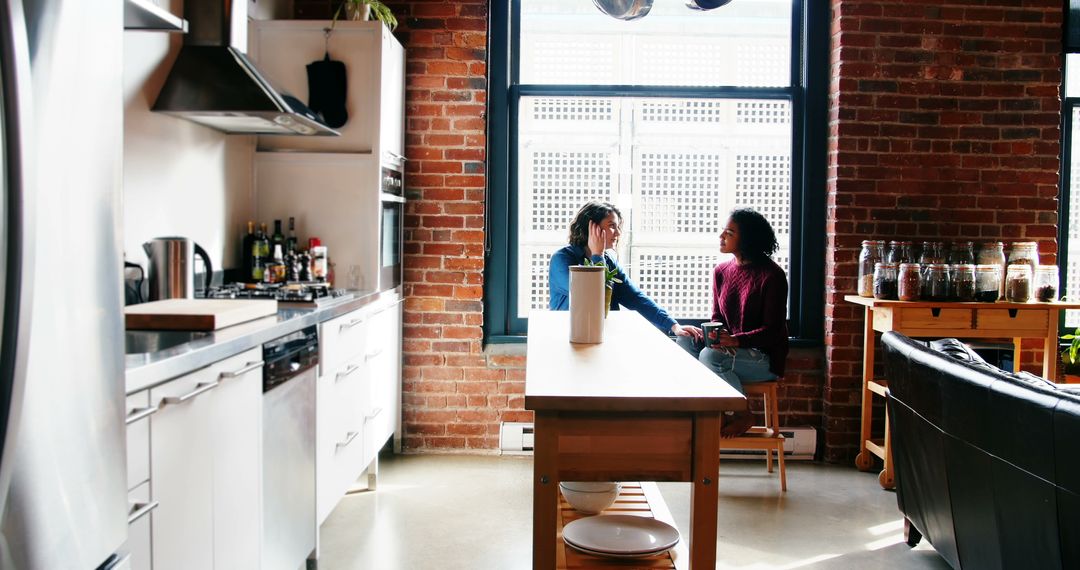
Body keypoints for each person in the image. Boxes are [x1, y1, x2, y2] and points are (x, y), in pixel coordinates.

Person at [677, 208, 789, 438]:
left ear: (747, 238)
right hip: (732, 351)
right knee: (685, 341)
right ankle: (704, 410)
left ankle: (741, 413)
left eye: (729, 233)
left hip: (762, 358)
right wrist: (713, 335)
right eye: (723, 231)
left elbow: (773, 331)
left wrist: (737, 340)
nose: (721, 237)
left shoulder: (772, 275)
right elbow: (718, 316)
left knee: (710, 357)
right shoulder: (722, 271)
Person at [548, 201, 702, 341]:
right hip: (570, 338)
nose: (618, 233)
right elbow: (590, 297)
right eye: (611, 226)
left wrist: (674, 326)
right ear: (591, 227)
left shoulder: (609, 261)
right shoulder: (562, 259)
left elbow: (635, 298)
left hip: (602, 337)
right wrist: (597, 256)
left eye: (618, 226)